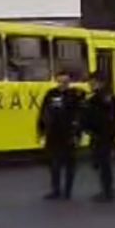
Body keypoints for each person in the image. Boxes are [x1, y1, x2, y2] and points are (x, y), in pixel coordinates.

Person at [37, 70, 85, 200]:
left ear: (69, 82)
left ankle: (68, 191)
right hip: (53, 134)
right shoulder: (51, 94)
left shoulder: (75, 95)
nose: (62, 84)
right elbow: (43, 112)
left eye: (65, 82)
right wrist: (41, 130)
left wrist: (78, 134)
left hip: (69, 134)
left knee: (70, 164)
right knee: (54, 164)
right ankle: (56, 190)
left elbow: (80, 115)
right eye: (60, 81)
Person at [83, 72, 115, 202]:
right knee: (101, 164)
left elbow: (102, 117)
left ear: (100, 82)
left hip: (103, 136)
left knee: (104, 165)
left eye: (93, 83)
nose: (90, 85)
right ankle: (106, 190)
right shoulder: (99, 97)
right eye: (90, 83)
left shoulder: (104, 97)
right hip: (99, 135)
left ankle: (107, 192)